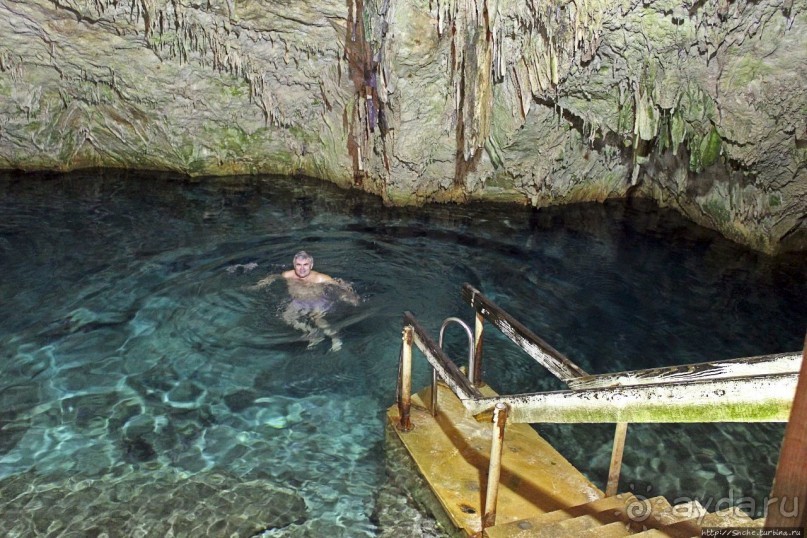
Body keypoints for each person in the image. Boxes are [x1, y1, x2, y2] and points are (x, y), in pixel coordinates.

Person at [252, 251, 359, 351]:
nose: (302, 268)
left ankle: (335, 338)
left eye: (305, 265)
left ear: (311, 265)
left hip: (317, 302)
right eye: (298, 265)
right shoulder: (287, 275)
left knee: (317, 319)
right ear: (294, 265)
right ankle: (313, 334)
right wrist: (261, 284)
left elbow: (340, 286)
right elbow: (274, 276)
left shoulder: (320, 278)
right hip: (298, 302)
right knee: (287, 317)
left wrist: (350, 297)